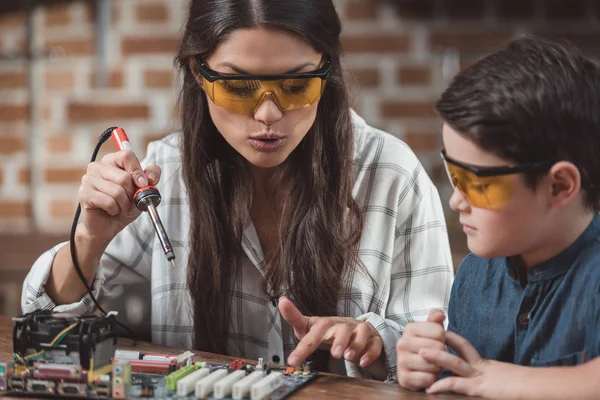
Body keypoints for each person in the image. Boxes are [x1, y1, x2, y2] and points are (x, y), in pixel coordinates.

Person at [22, 0, 453, 382]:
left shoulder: (392, 175)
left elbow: (439, 348)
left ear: (327, 70)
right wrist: (88, 240)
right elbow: (49, 335)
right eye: (240, 86)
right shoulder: (164, 174)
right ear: (199, 73)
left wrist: (376, 343)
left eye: (296, 84)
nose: (268, 113)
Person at [396, 36, 600, 398]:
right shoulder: (474, 278)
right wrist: (426, 368)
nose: (456, 201)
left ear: (559, 186)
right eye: (453, 175)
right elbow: (461, 384)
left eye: (477, 184)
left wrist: (506, 381)